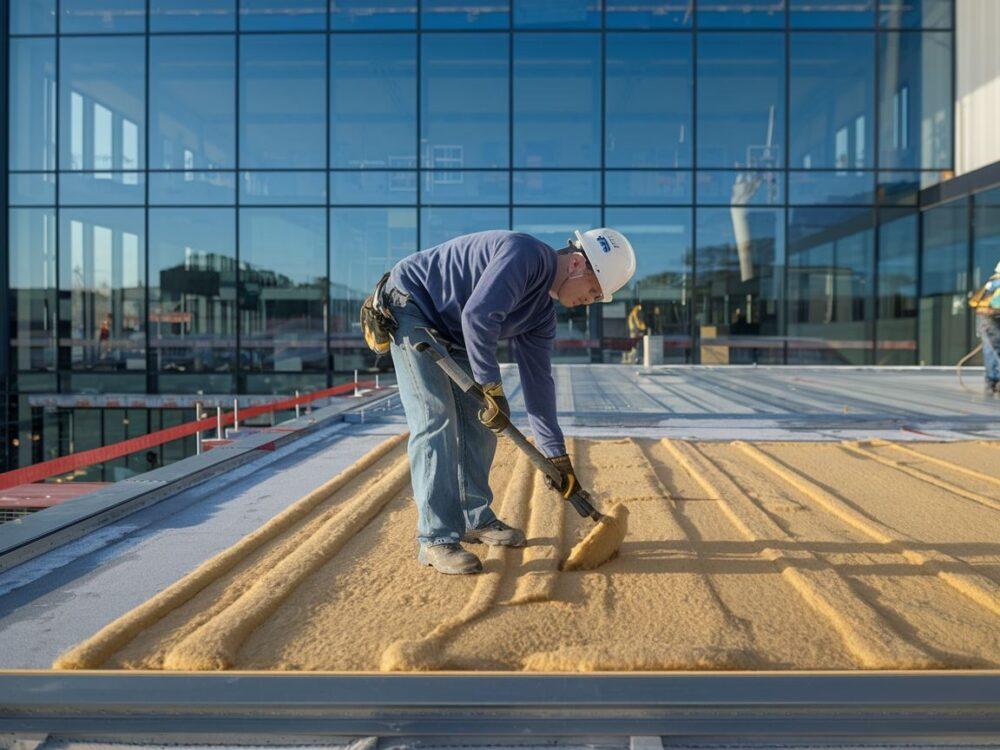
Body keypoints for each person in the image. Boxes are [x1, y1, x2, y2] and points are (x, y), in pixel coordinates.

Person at [362, 228, 636, 574]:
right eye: (595, 291)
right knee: (436, 416)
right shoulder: (525, 255)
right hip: (410, 304)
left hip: (453, 330)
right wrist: (491, 387)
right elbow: (478, 317)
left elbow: (538, 384)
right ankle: (435, 538)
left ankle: (475, 518)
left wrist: (557, 455)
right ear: (579, 264)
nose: (591, 300)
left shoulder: (541, 317)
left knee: (481, 422)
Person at [969, 260, 1000, 395]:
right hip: (992, 318)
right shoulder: (997, 284)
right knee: (995, 348)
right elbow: (996, 303)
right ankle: (994, 380)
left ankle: (991, 381)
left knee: (991, 348)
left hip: (985, 318)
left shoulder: (990, 283)